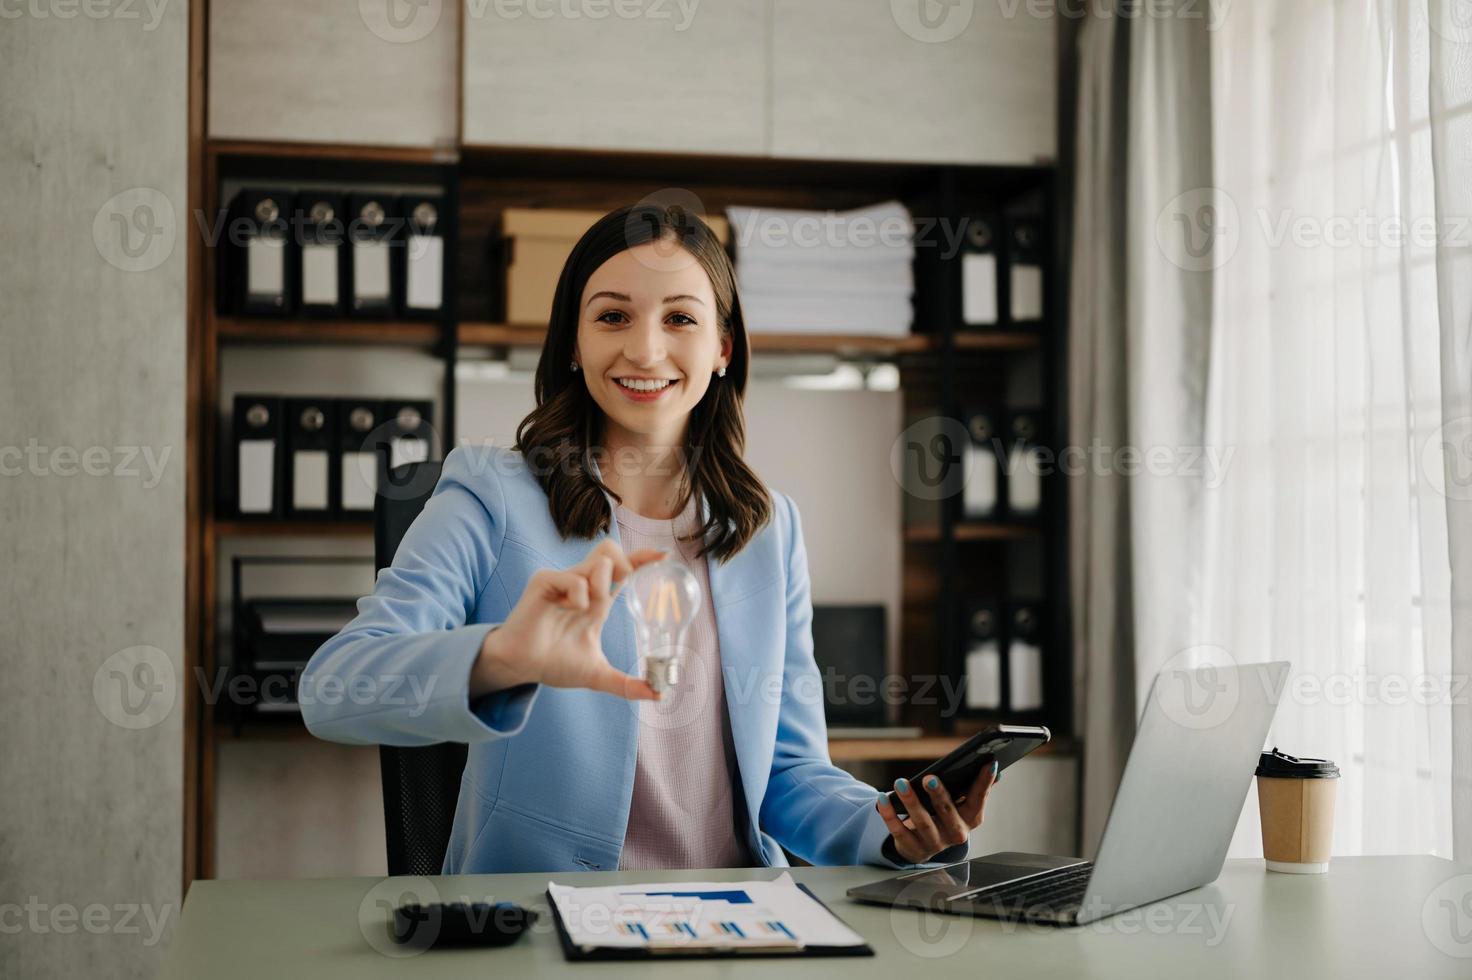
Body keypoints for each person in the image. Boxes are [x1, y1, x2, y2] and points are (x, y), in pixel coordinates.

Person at [301, 203, 1000, 873]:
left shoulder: (768, 525)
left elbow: (787, 772)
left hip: (736, 922)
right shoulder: (492, 494)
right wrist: (499, 659)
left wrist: (890, 828)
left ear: (722, 348)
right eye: (612, 316)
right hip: (549, 921)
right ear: (574, 343)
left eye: (680, 319)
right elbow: (334, 689)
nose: (645, 348)